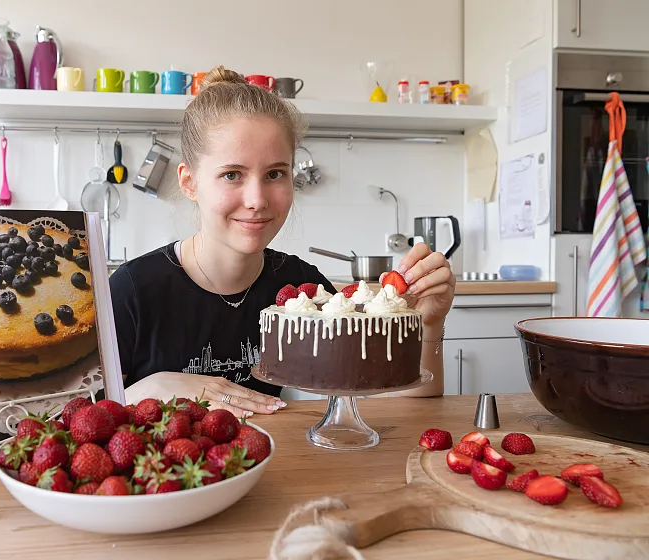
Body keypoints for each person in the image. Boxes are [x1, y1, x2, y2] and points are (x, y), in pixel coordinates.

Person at [109, 66, 455, 417]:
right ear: (189, 183)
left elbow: (403, 396)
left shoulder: (302, 289)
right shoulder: (131, 291)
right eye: (232, 175)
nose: (257, 199)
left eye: (275, 174)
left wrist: (430, 323)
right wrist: (147, 390)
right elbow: (64, 417)